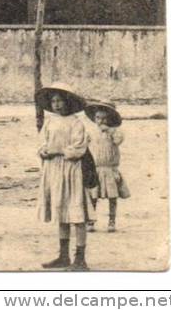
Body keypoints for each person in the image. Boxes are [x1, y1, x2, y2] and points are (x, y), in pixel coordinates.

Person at [36, 82, 93, 270]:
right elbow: (43, 142)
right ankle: (63, 256)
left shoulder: (76, 123)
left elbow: (78, 149)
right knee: (61, 212)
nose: (57, 105)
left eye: (60, 101)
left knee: (76, 215)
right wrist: (43, 151)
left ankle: (80, 259)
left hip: (72, 171)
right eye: (54, 101)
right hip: (54, 171)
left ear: (68, 102)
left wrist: (57, 150)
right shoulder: (50, 122)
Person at [84, 100, 130, 233]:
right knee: (93, 196)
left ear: (110, 119)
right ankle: (91, 221)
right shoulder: (91, 132)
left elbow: (118, 140)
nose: (101, 121)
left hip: (109, 169)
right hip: (96, 169)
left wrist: (110, 131)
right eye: (98, 117)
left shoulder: (115, 132)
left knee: (112, 196)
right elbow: (84, 144)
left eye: (105, 118)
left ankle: (112, 220)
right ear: (94, 118)